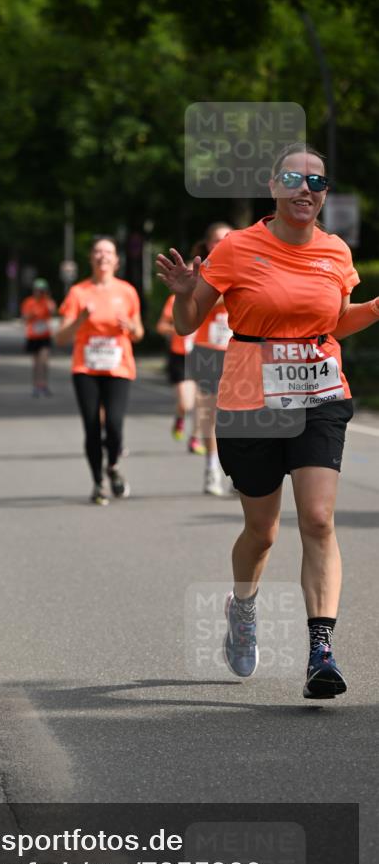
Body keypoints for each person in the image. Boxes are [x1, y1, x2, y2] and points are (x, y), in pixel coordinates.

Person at [157, 142, 379, 699]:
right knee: (262, 532)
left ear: (325, 194)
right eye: (294, 179)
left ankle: (320, 651)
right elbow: (187, 324)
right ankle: (243, 606)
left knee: (319, 520)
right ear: (274, 187)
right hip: (249, 401)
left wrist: (376, 309)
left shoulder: (336, 252)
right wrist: (185, 296)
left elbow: (334, 321)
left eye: (317, 182)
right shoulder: (237, 247)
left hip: (320, 394)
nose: (306, 190)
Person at [56, 236, 144, 505]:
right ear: (91, 258)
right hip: (86, 368)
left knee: (114, 425)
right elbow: (61, 337)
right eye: (97, 251)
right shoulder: (78, 292)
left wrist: (130, 326)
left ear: (116, 260)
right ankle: (98, 482)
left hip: (119, 367)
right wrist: (80, 320)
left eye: (108, 252)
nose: (102, 256)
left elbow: (139, 333)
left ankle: (113, 465)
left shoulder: (127, 291)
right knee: (92, 426)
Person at [187, 223, 234, 494]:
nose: (222, 242)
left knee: (240, 415)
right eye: (217, 239)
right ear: (207, 244)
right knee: (211, 413)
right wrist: (227, 293)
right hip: (208, 350)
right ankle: (212, 468)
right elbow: (195, 304)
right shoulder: (200, 271)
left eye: (227, 237)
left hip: (239, 350)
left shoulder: (245, 265)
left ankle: (239, 470)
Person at [156, 291, 204, 453]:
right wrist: (178, 328)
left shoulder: (210, 297)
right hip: (181, 357)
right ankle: (180, 416)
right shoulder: (174, 299)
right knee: (186, 403)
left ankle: (195, 438)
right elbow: (161, 326)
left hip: (204, 356)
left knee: (202, 401)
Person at [21, 278, 56, 396]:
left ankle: (44, 384)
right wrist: (32, 314)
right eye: (38, 290)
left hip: (45, 336)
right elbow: (25, 318)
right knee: (36, 363)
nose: (40, 293)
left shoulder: (47, 301)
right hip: (33, 335)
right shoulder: (29, 302)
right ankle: (36, 385)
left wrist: (47, 299)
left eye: (42, 290)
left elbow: (53, 311)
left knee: (44, 361)